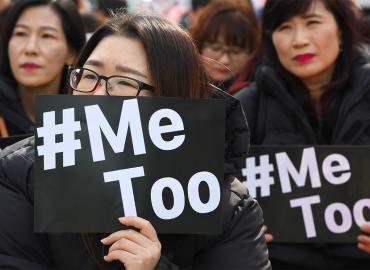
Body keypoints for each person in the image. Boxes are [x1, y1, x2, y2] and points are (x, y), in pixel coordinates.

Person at [0, 12, 271, 269]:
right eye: (89, 75)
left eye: (125, 83)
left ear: (172, 104)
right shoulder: (18, 173)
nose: (96, 95)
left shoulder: (228, 207)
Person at [234, 0, 370, 268]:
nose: (299, 40)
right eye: (285, 27)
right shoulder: (242, 109)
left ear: (341, 29)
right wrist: (237, 230)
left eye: (312, 23)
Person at [0, 0, 85, 137]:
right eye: (21, 33)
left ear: (72, 54)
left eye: (47, 35)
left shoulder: (86, 118)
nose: (30, 48)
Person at [190, 0, 260, 93]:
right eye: (216, 48)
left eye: (235, 51)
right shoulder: (182, 86)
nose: (224, 60)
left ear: (251, 52)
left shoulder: (259, 94)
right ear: (198, 45)